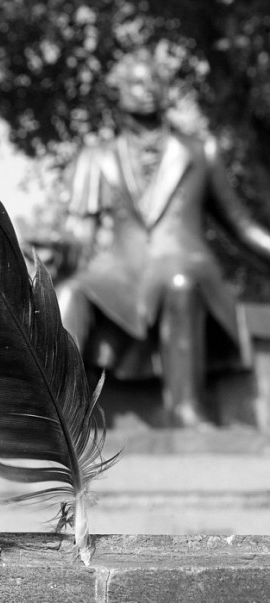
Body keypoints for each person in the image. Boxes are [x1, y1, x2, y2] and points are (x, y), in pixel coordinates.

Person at [55, 48, 270, 427]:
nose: (149, 89)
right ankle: (59, 415)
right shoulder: (95, 157)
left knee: (179, 283)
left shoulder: (199, 151)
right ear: (118, 92)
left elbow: (241, 225)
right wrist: (48, 250)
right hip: (120, 271)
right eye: (137, 83)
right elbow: (78, 236)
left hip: (184, 262)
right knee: (68, 294)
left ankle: (186, 409)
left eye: (155, 80)